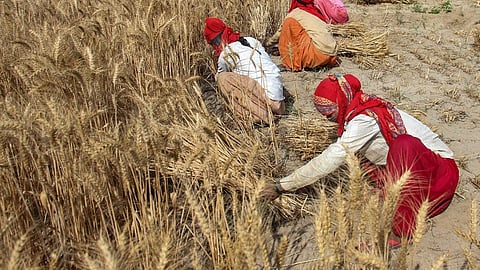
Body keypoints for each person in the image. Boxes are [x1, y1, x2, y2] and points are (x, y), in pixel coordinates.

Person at [261, 73, 459, 244]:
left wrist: (282, 186)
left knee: (403, 145)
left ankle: (402, 231)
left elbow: (331, 158)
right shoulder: (358, 108)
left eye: (330, 111)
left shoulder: (363, 120)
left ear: (343, 100)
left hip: (440, 175)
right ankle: (395, 192)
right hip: (422, 171)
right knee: (358, 155)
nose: (328, 117)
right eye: (324, 114)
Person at [203, 17, 285, 124]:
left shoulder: (225, 54)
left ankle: (260, 116)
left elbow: (219, 75)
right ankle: (272, 109)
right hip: (280, 103)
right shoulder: (251, 40)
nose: (217, 44)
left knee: (222, 79)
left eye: (215, 41)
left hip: (268, 102)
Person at [266, 0, 347, 71]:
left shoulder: (295, 13)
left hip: (318, 56)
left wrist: (267, 43)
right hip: (332, 57)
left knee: (288, 23)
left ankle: (289, 64)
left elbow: (279, 33)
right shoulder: (316, 13)